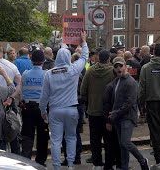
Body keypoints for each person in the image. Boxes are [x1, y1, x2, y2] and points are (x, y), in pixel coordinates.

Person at [39, 31, 88, 170]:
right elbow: (84, 57)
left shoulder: (49, 74)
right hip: (71, 109)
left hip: (55, 110)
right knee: (71, 137)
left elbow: (44, 96)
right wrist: (83, 42)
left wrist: (43, 111)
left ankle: (56, 167)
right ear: (68, 57)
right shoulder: (73, 70)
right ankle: (71, 164)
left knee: (55, 140)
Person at [106, 57, 149, 170]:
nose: (118, 68)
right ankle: (124, 167)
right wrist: (111, 118)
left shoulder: (131, 82)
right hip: (118, 118)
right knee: (122, 145)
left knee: (125, 142)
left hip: (128, 117)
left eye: (120, 66)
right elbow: (115, 101)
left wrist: (115, 113)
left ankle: (142, 161)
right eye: (116, 66)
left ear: (125, 66)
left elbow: (130, 103)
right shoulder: (116, 81)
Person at [80, 49, 115, 170]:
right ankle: (109, 164)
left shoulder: (90, 71)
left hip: (93, 110)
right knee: (109, 140)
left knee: (95, 140)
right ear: (109, 59)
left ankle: (97, 163)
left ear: (98, 58)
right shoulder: (113, 72)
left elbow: (83, 90)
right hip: (108, 112)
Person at [0, 43, 21, 155]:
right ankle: (15, 157)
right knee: (12, 130)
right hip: (8, 102)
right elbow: (20, 84)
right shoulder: (12, 66)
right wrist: (11, 97)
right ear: (2, 52)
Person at [20, 50, 49, 167]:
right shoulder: (47, 74)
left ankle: (25, 160)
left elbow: (21, 91)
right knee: (43, 135)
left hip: (27, 108)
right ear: (43, 61)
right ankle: (40, 162)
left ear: (31, 60)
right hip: (42, 108)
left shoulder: (25, 74)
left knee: (27, 135)